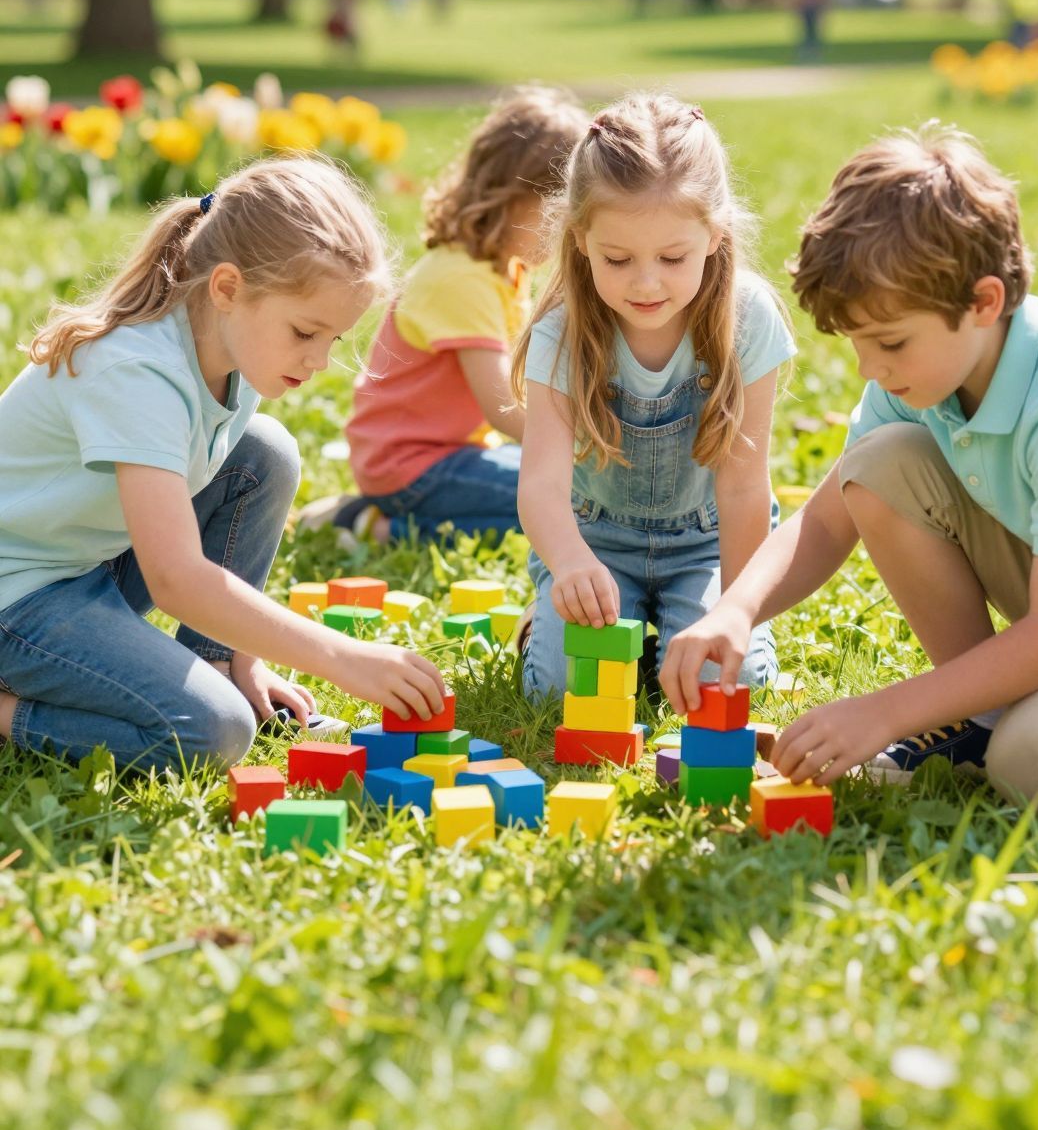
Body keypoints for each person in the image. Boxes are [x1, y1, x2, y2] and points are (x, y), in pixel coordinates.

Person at [661, 123, 1038, 815]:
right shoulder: (923, 377)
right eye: (858, 342)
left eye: (889, 341)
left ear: (983, 303)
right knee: (878, 465)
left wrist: (887, 713)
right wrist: (735, 611)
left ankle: (1005, 732)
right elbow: (831, 515)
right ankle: (981, 723)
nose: (869, 369)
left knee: (1036, 764)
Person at [0, 157, 447, 775]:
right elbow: (176, 579)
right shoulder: (138, 373)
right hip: (15, 598)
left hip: (84, 565)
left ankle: (218, 663)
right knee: (210, 731)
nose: (318, 360)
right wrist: (343, 657)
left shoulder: (232, 346)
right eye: (304, 332)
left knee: (263, 453)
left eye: (333, 340)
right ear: (228, 288)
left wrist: (247, 654)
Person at [511, 93, 793, 698]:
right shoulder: (561, 332)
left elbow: (745, 487)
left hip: (708, 544)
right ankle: (550, 621)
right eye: (618, 258)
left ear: (714, 236)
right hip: (595, 544)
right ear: (582, 238)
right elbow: (539, 484)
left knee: (729, 682)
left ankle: (673, 628)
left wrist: (735, 612)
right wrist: (568, 564)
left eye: (672, 257)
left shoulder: (748, 320)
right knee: (560, 690)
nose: (645, 282)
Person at [300, 88, 588, 544]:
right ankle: (374, 525)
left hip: (451, 454)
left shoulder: (502, 268)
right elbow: (504, 409)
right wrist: (584, 448)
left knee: (572, 491)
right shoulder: (461, 277)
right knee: (567, 503)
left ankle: (376, 518)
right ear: (510, 197)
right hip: (411, 466)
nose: (567, 233)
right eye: (558, 215)